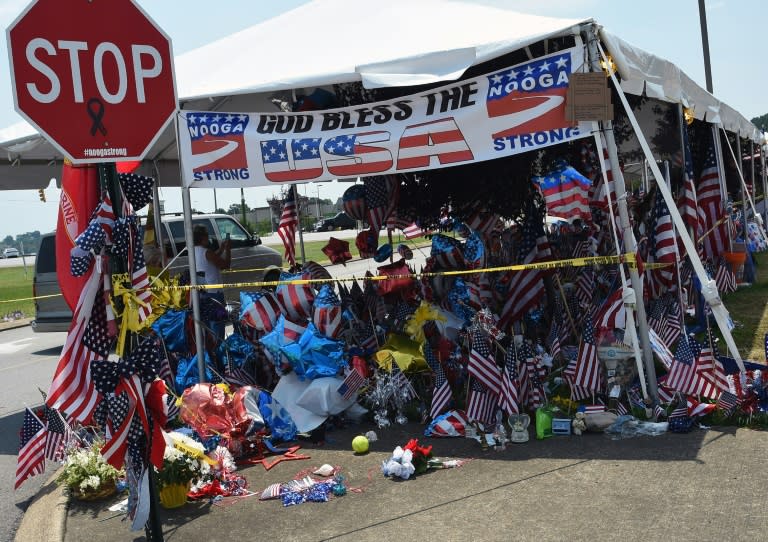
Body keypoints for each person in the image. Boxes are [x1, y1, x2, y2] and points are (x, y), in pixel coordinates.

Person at [193, 225, 231, 338]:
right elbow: (225, 265)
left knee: (208, 325)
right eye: (207, 235)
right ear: (203, 237)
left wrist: (222, 248)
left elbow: (211, 259)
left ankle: (211, 348)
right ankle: (218, 348)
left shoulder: (194, 251)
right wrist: (228, 250)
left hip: (203, 293)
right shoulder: (207, 252)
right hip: (215, 293)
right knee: (218, 324)